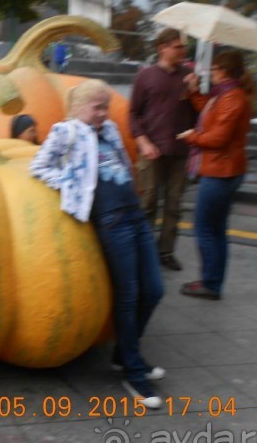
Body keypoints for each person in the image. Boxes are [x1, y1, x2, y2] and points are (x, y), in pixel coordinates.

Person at [31, 79, 164, 408]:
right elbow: (40, 166)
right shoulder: (67, 132)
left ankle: (123, 353)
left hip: (134, 213)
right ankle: (133, 371)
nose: (105, 113)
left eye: (106, 106)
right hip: (110, 220)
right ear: (78, 108)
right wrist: (71, 185)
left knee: (155, 289)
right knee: (129, 294)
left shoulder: (112, 131)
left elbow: (123, 163)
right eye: (98, 107)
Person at [176, 51, 254, 300]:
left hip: (221, 172)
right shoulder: (225, 95)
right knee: (217, 230)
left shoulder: (232, 98)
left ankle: (210, 284)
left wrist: (192, 138)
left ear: (225, 70)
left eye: (215, 68)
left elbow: (218, 138)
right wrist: (195, 91)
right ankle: (214, 282)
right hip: (225, 170)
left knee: (205, 230)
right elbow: (211, 117)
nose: (211, 71)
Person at [129, 28, 197, 271]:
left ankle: (166, 252)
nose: (183, 51)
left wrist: (195, 92)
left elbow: (201, 113)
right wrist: (143, 141)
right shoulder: (145, 76)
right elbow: (133, 114)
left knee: (173, 205)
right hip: (151, 151)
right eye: (178, 47)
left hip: (179, 151)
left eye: (183, 47)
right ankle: (144, 252)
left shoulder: (190, 76)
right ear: (162, 48)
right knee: (147, 203)